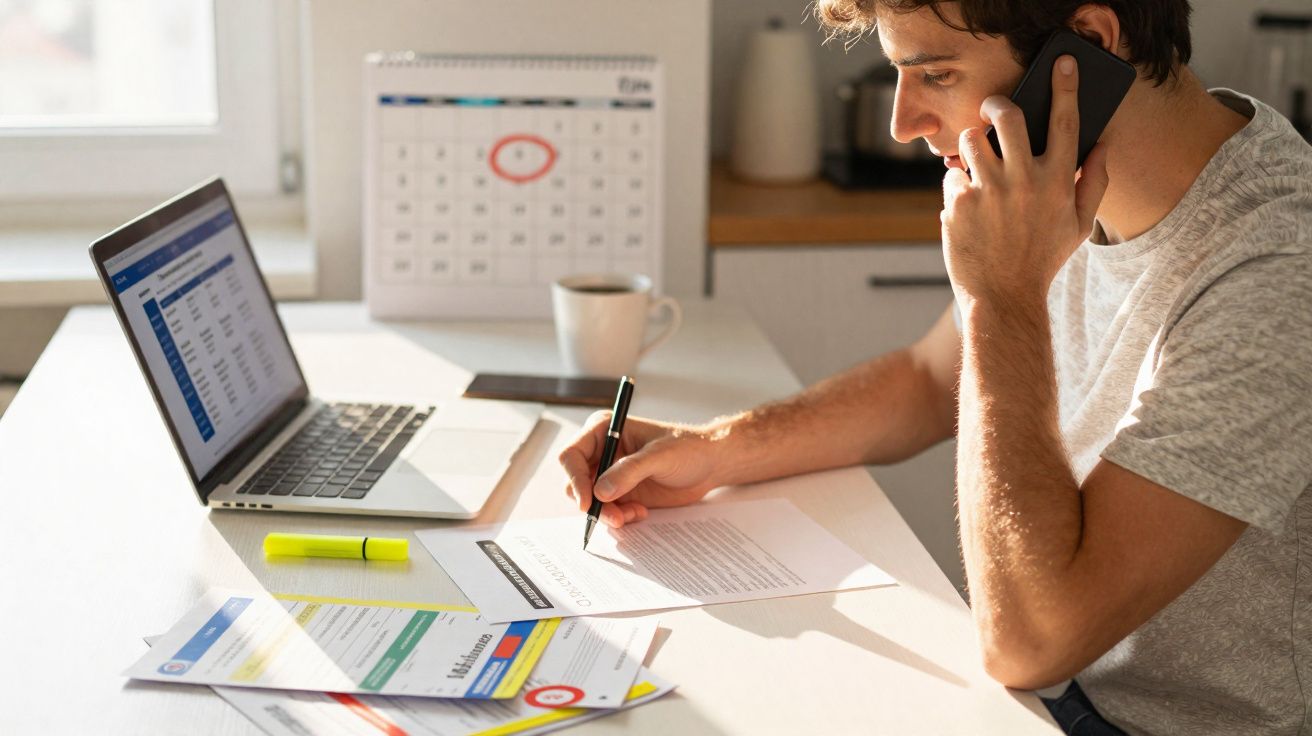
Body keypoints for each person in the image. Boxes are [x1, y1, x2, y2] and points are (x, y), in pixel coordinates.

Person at [559, 1, 1312, 734]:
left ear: (1087, 44)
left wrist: (1001, 295)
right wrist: (713, 451)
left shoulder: (1278, 269)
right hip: (1057, 700)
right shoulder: (1063, 181)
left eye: (937, 75)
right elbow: (930, 378)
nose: (903, 123)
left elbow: (1029, 643)